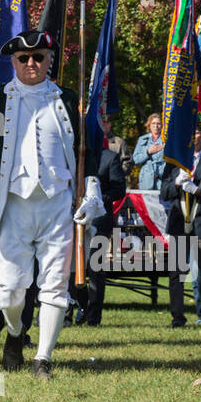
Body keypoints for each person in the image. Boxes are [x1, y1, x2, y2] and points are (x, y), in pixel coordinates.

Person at [0, 30, 98, 379]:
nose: (31, 64)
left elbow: (88, 152)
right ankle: (13, 333)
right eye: (23, 58)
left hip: (58, 204)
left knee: (55, 285)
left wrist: (93, 193)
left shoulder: (68, 100)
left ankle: (43, 358)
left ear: (49, 59)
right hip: (13, 206)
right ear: (13, 61)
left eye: (38, 57)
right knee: (9, 289)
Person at [159, 125, 201, 327]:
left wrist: (197, 191)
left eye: (197, 133)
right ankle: (178, 318)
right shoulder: (173, 163)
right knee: (176, 273)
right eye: (190, 133)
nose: (194, 136)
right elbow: (164, 193)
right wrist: (177, 185)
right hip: (179, 222)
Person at [73, 118, 126, 326]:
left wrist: (99, 199)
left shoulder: (110, 158)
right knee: (71, 267)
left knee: (95, 268)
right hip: (74, 217)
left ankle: (93, 316)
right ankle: (76, 307)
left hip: (100, 219)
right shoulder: (75, 157)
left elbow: (118, 189)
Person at [132, 113, 166, 190]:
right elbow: (135, 160)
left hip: (162, 180)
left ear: (162, 125)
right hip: (146, 180)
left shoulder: (166, 140)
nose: (156, 126)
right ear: (149, 125)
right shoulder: (142, 139)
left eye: (158, 124)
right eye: (153, 123)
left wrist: (160, 173)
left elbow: (170, 162)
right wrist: (148, 152)